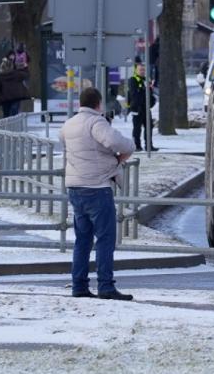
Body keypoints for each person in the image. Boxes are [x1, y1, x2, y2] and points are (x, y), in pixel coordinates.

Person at [59, 87, 135, 300]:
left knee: (82, 239)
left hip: (75, 187)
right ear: (98, 104)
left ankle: (79, 285)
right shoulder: (96, 122)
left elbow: (66, 143)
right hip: (97, 187)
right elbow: (118, 143)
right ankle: (106, 286)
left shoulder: (69, 124)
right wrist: (121, 156)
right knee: (105, 238)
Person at [127, 62, 158, 152]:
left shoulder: (146, 80)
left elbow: (150, 93)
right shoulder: (133, 80)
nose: (142, 71)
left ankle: (149, 145)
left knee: (149, 127)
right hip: (136, 108)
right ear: (136, 70)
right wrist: (144, 89)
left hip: (146, 107)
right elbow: (134, 94)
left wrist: (152, 101)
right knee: (137, 128)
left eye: (143, 70)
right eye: (140, 69)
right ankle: (137, 146)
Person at [0, 52, 30, 118]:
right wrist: (25, 67)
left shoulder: (1, 77)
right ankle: (14, 126)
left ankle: (7, 126)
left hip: (5, 98)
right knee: (14, 113)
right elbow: (26, 75)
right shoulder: (16, 74)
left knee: (6, 114)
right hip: (15, 97)